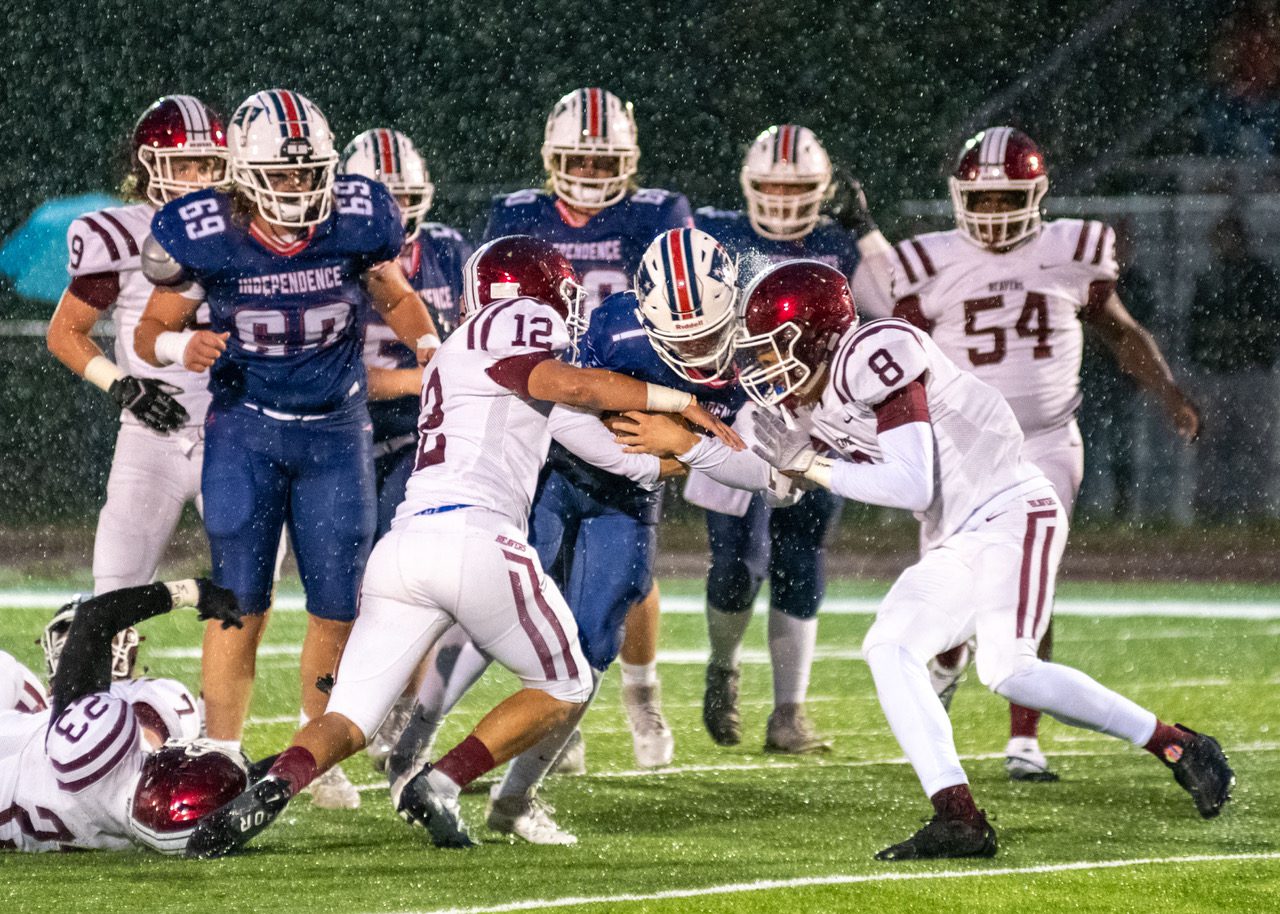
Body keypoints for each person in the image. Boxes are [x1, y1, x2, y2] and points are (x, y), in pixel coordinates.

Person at [616, 260, 1235, 860]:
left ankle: (1177, 745)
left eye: (777, 348)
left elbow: (909, 483)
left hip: (1013, 508)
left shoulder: (873, 352)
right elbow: (769, 479)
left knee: (1010, 670)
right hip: (957, 535)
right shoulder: (798, 404)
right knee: (889, 646)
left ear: (820, 336)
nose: (767, 365)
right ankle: (958, 816)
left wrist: (806, 464)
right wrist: (690, 448)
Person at [183, 235, 740, 859]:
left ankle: (271, 788)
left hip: (404, 548)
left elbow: (573, 420)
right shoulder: (516, 320)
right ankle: (441, 781)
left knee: (348, 719)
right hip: (477, 538)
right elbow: (571, 387)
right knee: (567, 685)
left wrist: (672, 458)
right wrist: (678, 401)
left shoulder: (457, 354)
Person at [388, 228, 749, 844]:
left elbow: (749, 455)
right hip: (557, 474)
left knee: (591, 646)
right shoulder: (614, 328)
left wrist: (694, 455)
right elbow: (561, 411)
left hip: (628, 502)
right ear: (647, 310)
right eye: (678, 332)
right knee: (491, 608)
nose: (694, 346)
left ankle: (515, 797)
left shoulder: (754, 355)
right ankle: (412, 745)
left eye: (707, 331)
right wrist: (659, 456)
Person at [134, 89, 440, 810]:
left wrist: (432, 347)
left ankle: (316, 745)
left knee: (338, 604)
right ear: (244, 173)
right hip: (248, 430)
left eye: (308, 172)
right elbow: (149, 332)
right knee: (238, 600)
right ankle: (220, 750)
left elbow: (395, 296)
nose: (298, 187)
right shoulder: (205, 231)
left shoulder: (357, 219)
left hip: (335, 433)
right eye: (281, 173)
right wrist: (181, 346)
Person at [864, 126, 1200, 780]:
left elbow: (1121, 332)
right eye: (981, 199)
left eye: (1007, 198)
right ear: (960, 198)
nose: (993, 212)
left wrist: (1168, 392)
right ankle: (948, 661)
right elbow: (898, 357)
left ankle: (1024, 740)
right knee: (948, 582)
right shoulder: (928, 262)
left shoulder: (1070, 251)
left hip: (1044, 442)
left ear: (1037, 195)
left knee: (1025, 586)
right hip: (958, 449)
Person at [465, 87, 696, 768]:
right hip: (544, 400)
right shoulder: (516, 214)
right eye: (578, 161)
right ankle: (559, 703)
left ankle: (641, 693)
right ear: (551, 159)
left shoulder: (658, 214)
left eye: (603, 163)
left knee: (629, 570)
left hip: (622, 398)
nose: (591, 174)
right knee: (544, 563)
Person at [690, 125, 866, 753]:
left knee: (800, 554)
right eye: (771, 186)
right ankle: (723, 667)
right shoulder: (713, 234)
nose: (783, 199)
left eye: (797, 188)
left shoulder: (841, 243)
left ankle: (789, 713)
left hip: (818, 416)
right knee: (737, 564)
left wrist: (869, 232)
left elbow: (898, 300)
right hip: (737, 412)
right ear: (747, 185)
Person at [45, 96, 226, 596]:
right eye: (183, 165)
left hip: (235, 429)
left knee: (253, 585)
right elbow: (65, 332)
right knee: (115, 588)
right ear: (148, 165)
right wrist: (125, 387)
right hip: (151, 433)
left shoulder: (242, 231)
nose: (196, 178)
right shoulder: (122, 233)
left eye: (207, 165)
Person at [339, 127, 473, 768]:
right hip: (346, 430)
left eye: (404, 196)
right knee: (348, 580)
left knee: (417, 573)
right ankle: (347, 701)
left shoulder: (447, 249)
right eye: (382, 197)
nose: (395, 210)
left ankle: (400, 707)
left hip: (424, 435)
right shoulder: (333, 253)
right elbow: (330, 371)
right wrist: (421, 378)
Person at [0, 580, 247, 853]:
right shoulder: (148, 702)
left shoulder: (108, 720)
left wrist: (193, 591)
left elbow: (94, 618)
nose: (71, 648)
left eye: (73, 641)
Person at [1187, 209, 1280, 519]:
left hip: (1250, 373)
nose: (1223, 244)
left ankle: (1255, 506)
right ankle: (1210, 508)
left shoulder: (1260, 275)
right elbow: (1196, 331)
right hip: (1218, 373)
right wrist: (1224, 339)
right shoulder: (1209, 278)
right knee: (1212, 445)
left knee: (1255, 444)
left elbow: (1268, 325)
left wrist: (1238, 337)